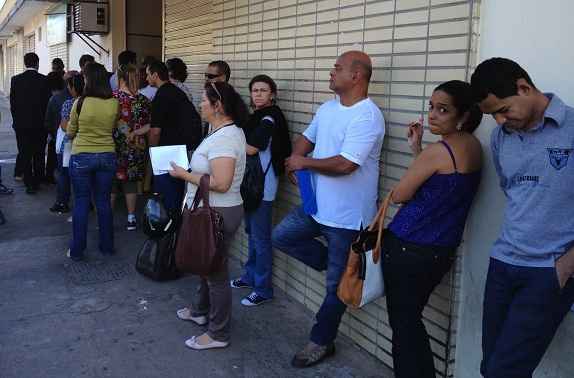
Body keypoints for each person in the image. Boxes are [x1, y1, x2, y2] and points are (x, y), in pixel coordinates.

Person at [271, 51, 385, 368]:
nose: (331, 72)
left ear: (357, 76)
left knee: (335, 286)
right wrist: (297, 160)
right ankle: (333, 271)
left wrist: (303, 162)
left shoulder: (367, 116)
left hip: (348, 219)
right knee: (281, 237)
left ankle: (321, 341)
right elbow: (305, 140)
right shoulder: (328, 108)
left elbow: (347, 164)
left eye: (338, 68)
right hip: (316, 207)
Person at [471, 58, 574, 378]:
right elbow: (512, 191)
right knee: (490, 366)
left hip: (548, 272)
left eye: (503, 109)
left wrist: (567, 264)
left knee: (506, 371)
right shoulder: (502, 138)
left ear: (524, 87)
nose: (500, 121)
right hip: (503, 263)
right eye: (492, 116)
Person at [383, 80, 483, 378]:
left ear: (463, 116)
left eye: (443, 110)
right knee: (410, 320)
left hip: (407, 247)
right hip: (440, 250)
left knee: (404, 325)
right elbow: (442, 186)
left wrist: (421, 156)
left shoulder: (439, 151)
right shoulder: (473, 147)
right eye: (431, 107)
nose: (433, 115)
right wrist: (418, 150)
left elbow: (400, 194)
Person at [170, 81, 247, 350]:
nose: (200, 104)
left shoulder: (226, 137)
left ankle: (218, 333)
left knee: (215, 274)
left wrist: (184, 175)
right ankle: (200, 311)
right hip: (215, 209)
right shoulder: (222, 131)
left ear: (218, 105)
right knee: (207, 263)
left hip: (218, 211)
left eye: (204, 100)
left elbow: (222, 182)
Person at [230, 74, 292, 306]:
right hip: (250, 186)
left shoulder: (270, 118)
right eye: (254, 90)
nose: (257, 94)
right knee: (252, 234)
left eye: (263, 90)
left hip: (263, 188)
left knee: (261, 237)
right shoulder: (256, 116)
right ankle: (250, 276)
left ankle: (264, 289)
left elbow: (253, 148)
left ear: (272, 94)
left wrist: (229, 144)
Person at [66, 63, 120, 261]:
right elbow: (114, 128)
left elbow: (71, 131)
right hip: (107, 155)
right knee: (103, 202)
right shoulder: (114, 103)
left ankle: (77, 250)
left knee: (81, 202)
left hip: (81, 156)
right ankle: (107, 246)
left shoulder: (79, 102)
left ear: (88, 80)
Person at [147, 61, 201, 214]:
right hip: (181, 150)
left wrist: (152, 151)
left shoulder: (161, 96)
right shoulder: (177, 92)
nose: (146, 77)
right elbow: (167, 120)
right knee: (176, 194)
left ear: (155, 75)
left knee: (165, 196)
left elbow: (155, 130)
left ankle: (166, 232)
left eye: (147, 74)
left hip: (166, 152)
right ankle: (176, 229)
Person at [111, 63, 151, 231]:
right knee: (131, 183)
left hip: (114, 146)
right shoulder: (144, 100)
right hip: (136, 147)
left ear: (121, 79)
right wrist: (135, 134)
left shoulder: (113, 98)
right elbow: (151, 125)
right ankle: (131, 217)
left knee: (111, 183)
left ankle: (107, 219)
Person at [10, 53, 52, 194]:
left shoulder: (15, 80)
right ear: (37, 64)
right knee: (39, 153)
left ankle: (28, 183)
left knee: (25, 153)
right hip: (40, 125)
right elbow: (48, 104)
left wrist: (16, 121)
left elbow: (13, 104)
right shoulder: (44, 80)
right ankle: (37, 180)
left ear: (25, 63)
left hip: (21, 125)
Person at [53, 72, 84, 215]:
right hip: (85, 142)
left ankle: (62, 202)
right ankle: (86, 202)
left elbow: (64, 126)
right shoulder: (89, 101)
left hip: (69, 144)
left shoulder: (68, 103)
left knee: (64, 174)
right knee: (83, 175)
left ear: (73, 88)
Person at [44, 72, 70, 186]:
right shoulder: (78, 100)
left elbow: (48, 121)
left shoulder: (54, 99)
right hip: (75, 140)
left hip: (58, 137)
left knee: (62, 169)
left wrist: (53, 133)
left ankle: (62, 199)